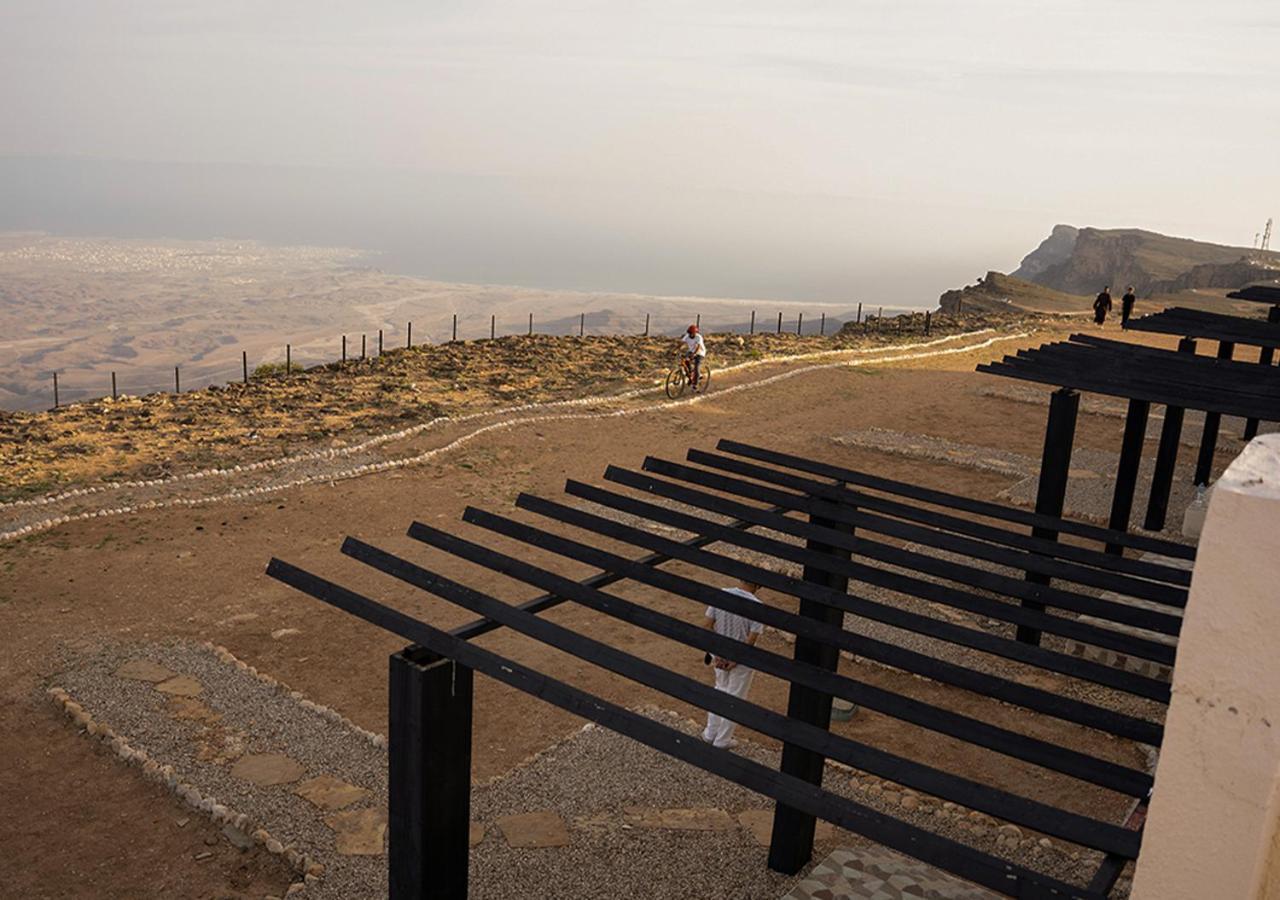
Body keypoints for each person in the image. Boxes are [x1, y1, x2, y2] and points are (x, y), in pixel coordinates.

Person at [701, 579, 765, 750]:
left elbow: (707, 625)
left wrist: (716, 654)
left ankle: (710, 733)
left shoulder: (721, 593)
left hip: (720, 655)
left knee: (719, 690)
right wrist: (735, 659)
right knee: (734, 698)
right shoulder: (758, 606)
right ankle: (722, 740)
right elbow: (751, 639)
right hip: (741, 661)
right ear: (758, 586)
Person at [679, 324, 706, 392]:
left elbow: (698, 346)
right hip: (691, 351)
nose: (690, 334)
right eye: (689, 333)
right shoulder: (687, 336)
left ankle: (695, 385)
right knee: (685, 361)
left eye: (692, 333)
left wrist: (694, 354)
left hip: (700, 353)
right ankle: (690, 375)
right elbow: (681, 343)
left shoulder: (698, 337)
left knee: (697, 368)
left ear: (695, 333)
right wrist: (674, 350)